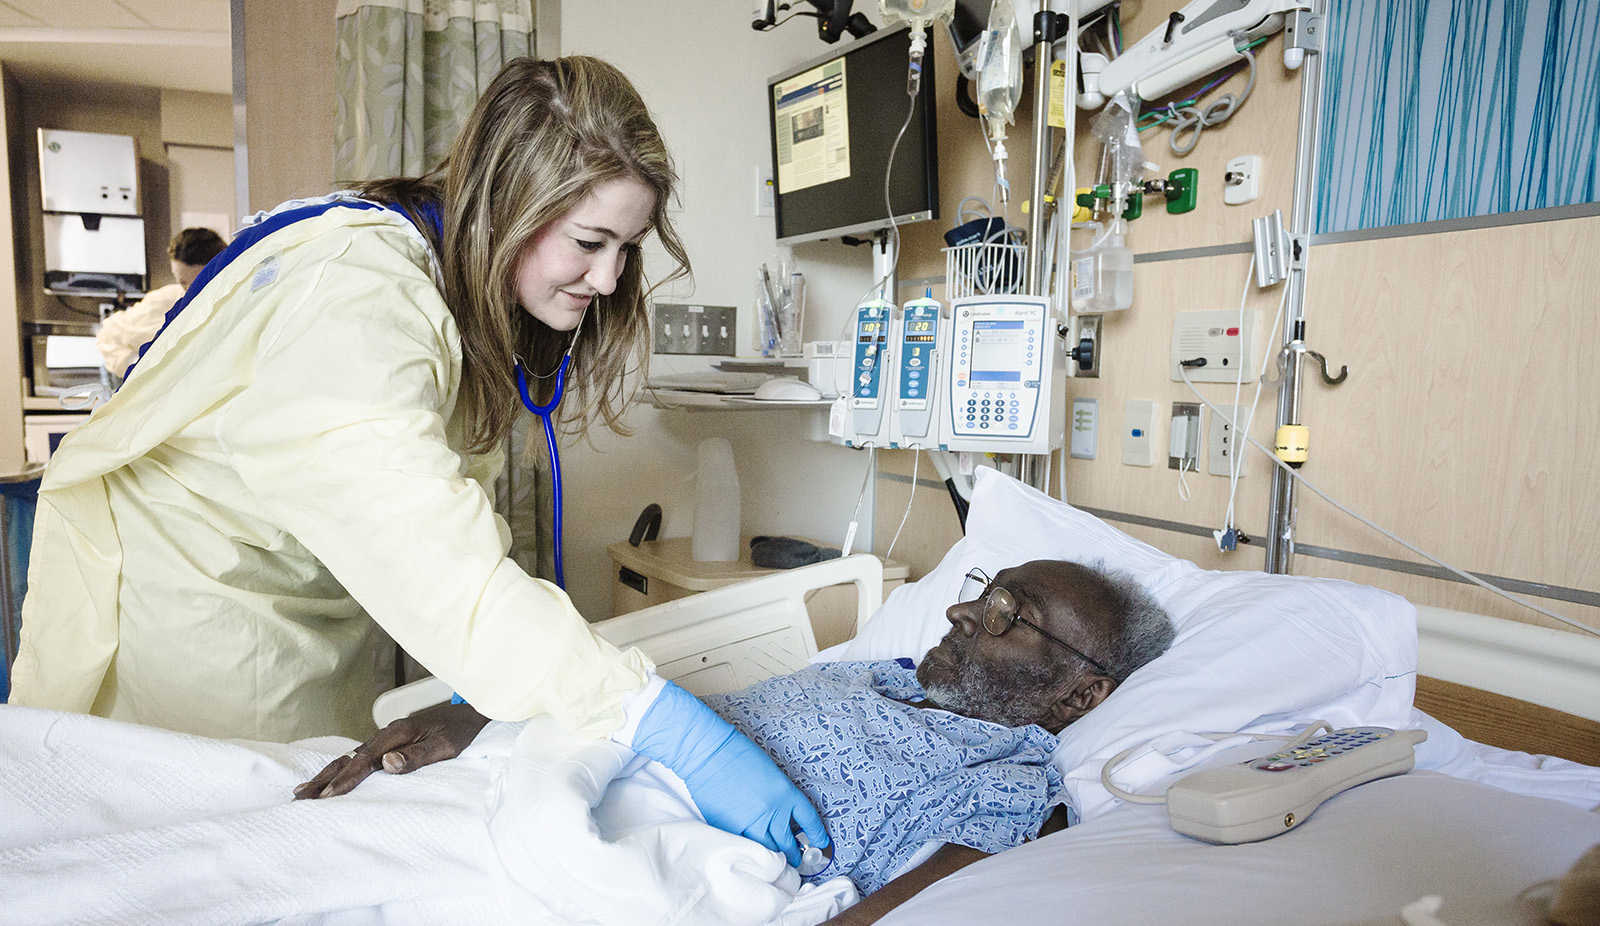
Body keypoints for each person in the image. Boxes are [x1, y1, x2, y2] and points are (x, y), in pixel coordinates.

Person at [10, 56, 825, 867]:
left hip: (297, 609)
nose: (610, 279)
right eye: (589, 241)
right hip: (205, 621)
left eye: (628, 246)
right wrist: (666, 725)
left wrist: (478, 695)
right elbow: (436, 562)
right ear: (510, 201)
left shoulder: (438, 278)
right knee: (220, 864)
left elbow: (442, 517)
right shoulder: (358, 296)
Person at [301, 558, 1176, 924]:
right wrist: (486, 708)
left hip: (608, 874)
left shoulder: (1012, 786)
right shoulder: (869, 671)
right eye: (981, 589)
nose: (958, 608)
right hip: (538, 774)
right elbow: (641, 712)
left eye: (1005, 614)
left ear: (1081, 692)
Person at [95, 227, 228, 379]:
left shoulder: (234, 301)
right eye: (184, 283)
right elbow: (108, 334)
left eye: (201, 283)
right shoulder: (164, 301)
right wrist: (140, 371)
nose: (192, 292)